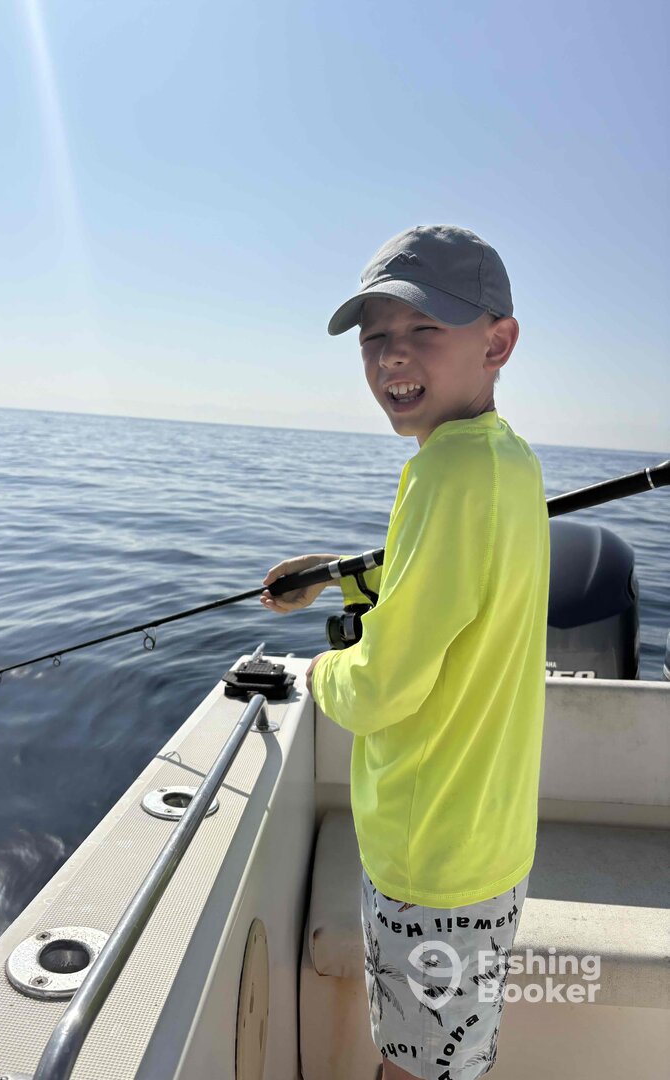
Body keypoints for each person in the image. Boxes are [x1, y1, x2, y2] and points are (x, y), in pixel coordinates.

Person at [261, 225, 550, 1080]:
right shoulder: (505, 461)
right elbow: (446, 587)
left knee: (415, 1067)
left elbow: (382, 688)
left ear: (497, 343)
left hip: (429, 853)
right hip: (485, 835)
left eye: (424, 328)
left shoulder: (442, 475)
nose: (392, 354)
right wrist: (337, 576)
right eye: (374, 336)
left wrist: (322, 673)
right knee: (447, 1058)